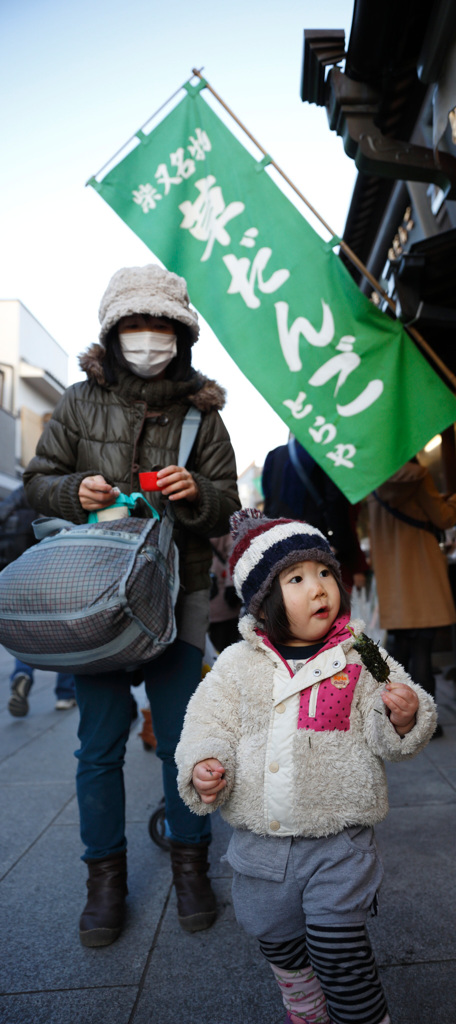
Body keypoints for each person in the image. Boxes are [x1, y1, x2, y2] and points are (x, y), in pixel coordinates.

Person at [23, 264, 241, 947]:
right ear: (114, 333)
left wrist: (195, 491)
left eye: (162, 329)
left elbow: (228, 503)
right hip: (97, 597)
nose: (149, 341)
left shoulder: (203, 413)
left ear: (181, 335)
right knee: (98, 745)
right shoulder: (79, 402)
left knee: (184, 740)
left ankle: (192, 868)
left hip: (179, 593)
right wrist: (72, 493)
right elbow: (36, 483)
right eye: (135, 328)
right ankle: (104, 882)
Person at [175, 508, 437, 1024]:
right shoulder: (237, 665)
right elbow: (207, 723)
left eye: (324, 575)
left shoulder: (360, 656)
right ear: (265, 600)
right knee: (277, 940)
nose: (318, 589)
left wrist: (404, 717)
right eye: (296, 579)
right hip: (261, 846)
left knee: (340, 949)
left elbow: (387, 730)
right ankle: (302, 1000)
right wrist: (206, 762)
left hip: (338, 842)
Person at [366, 459, 456, 738]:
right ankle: (426, 723)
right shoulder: (419, 477)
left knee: (401, 653)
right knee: (423, 648)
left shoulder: (372, 482)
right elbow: (443, 517)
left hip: (391, 579)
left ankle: (396, 719)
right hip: (421, 572)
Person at [0, 485, 77, 714]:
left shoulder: (21, 492)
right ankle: (65, 695)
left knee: (27, 631)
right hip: (51, 571)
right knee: (66, 630)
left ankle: (23, 673)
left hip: (19, 572)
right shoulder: (60, 489)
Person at [262, 436, 368, 591]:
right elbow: (335, 501)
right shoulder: (324, 452)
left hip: (283, 549)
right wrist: (340, 545)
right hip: (321, 547)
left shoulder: (274, 456)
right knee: (328, 605)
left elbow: (269, 508)